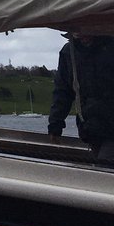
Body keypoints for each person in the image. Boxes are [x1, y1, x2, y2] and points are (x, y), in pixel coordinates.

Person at [48, 32, 114, 167]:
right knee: (100, 168)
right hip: (91, 127)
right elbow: (63, 90)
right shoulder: (68, 53)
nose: (84, 35)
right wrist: (55, 124)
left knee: (103, 169)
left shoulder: (110, 47)